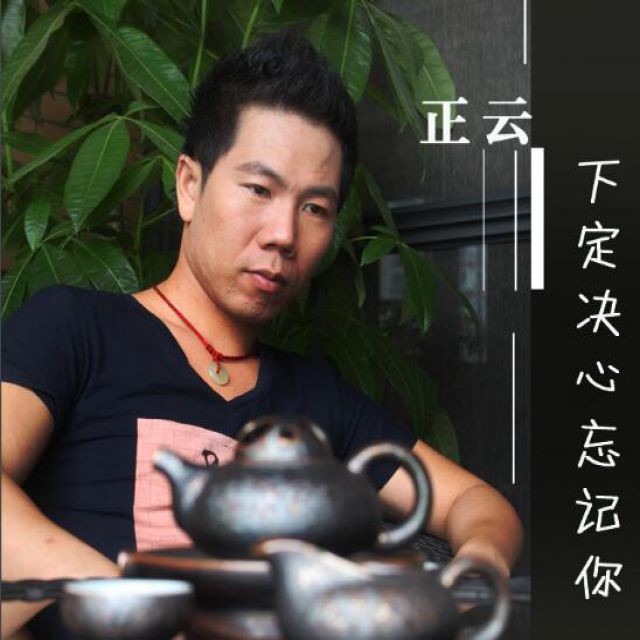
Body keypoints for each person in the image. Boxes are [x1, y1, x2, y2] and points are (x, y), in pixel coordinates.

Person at [1, 30, 522, 639]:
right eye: (259, 189)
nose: (283, 234)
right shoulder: (74, 330)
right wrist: (132, 605)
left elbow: (474, 503)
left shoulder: (316, 402)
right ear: (189, 185)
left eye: (315, 208)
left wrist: (479, 564)